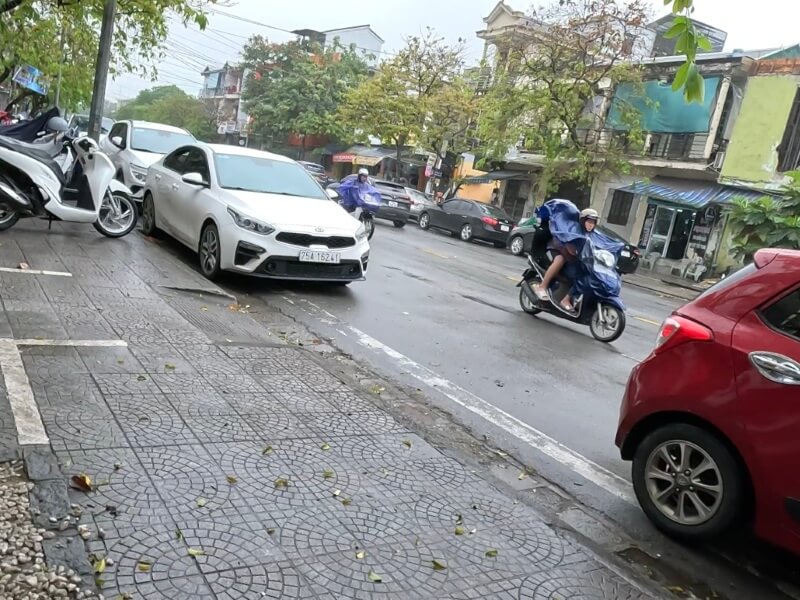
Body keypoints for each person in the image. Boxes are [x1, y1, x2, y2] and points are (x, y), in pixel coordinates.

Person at [533, 207, 599, 311]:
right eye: (589, 222)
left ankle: (570, 299)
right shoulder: (574, 229)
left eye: (593, 222)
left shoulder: (591, 234)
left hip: (573, 259)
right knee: (560, 259)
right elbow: (569, 247)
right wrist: (576, 253)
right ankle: (542, 286)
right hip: (558, 250)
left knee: (585, 276)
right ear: (583, 221)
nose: (591, 225)